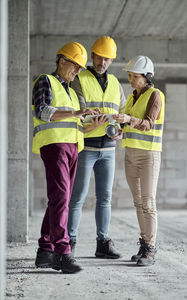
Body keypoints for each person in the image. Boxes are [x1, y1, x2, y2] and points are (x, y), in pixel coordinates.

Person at [32, 42, 96, 274]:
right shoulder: (45, 81)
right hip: (55, 145)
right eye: (75, 66)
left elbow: (73, 122)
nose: (78, 71)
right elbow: (42, 111)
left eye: (80, 68)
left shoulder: (70, 90)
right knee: (60, 198)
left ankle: (45, 251)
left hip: (72, 147)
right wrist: (76, 112)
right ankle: (61, 252)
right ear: (61, 61)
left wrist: (90, 122)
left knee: (60, 199)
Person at [67, 36, 126, 259]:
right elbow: (79, 111)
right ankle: (69, 243)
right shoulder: (79, 79)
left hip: (109, 149)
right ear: (92, 55)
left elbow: (121, 110)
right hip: (86, 147)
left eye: (107, 58)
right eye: (100, 57)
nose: (103, 62)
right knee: (78, 197)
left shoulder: (115, 83)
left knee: (105, 197)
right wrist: (94, 124)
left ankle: (103, 243)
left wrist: (121, 129)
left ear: (111, 60)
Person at [113, 55, 165, 266]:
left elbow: (148, 124)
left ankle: (151, 249)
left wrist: (128, 120)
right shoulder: (132, 97)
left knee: (148, 202)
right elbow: (130, 127)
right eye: (130, 76)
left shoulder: (155, 95)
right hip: (131, 155)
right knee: (138, 202)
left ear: (147, 77)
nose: (131, 80)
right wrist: (120, 130)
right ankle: (144, 244)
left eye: (135, 76)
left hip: (148, 155)